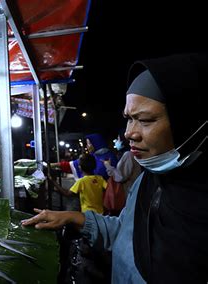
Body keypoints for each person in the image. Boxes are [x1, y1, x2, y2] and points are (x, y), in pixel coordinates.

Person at [22, 53, 208, 283]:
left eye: (146, 120)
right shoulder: (146, 181)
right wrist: (73, 217)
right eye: (129, 118)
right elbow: (126, 233)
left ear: (189, 122)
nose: (130, 132)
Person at [51, 133, 118, 180]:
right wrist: (52, 165)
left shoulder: (109, 158)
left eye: (88, 143)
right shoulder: (93, 156)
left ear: (95, 143)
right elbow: (74, 164)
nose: (87, 146)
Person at [103, 131, 141, 196]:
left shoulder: (128, 155)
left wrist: (108, 166)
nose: (116, 142)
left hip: (130, 192)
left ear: (124, 140)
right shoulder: (126, 154)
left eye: (118, 139)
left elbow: (120, 177)